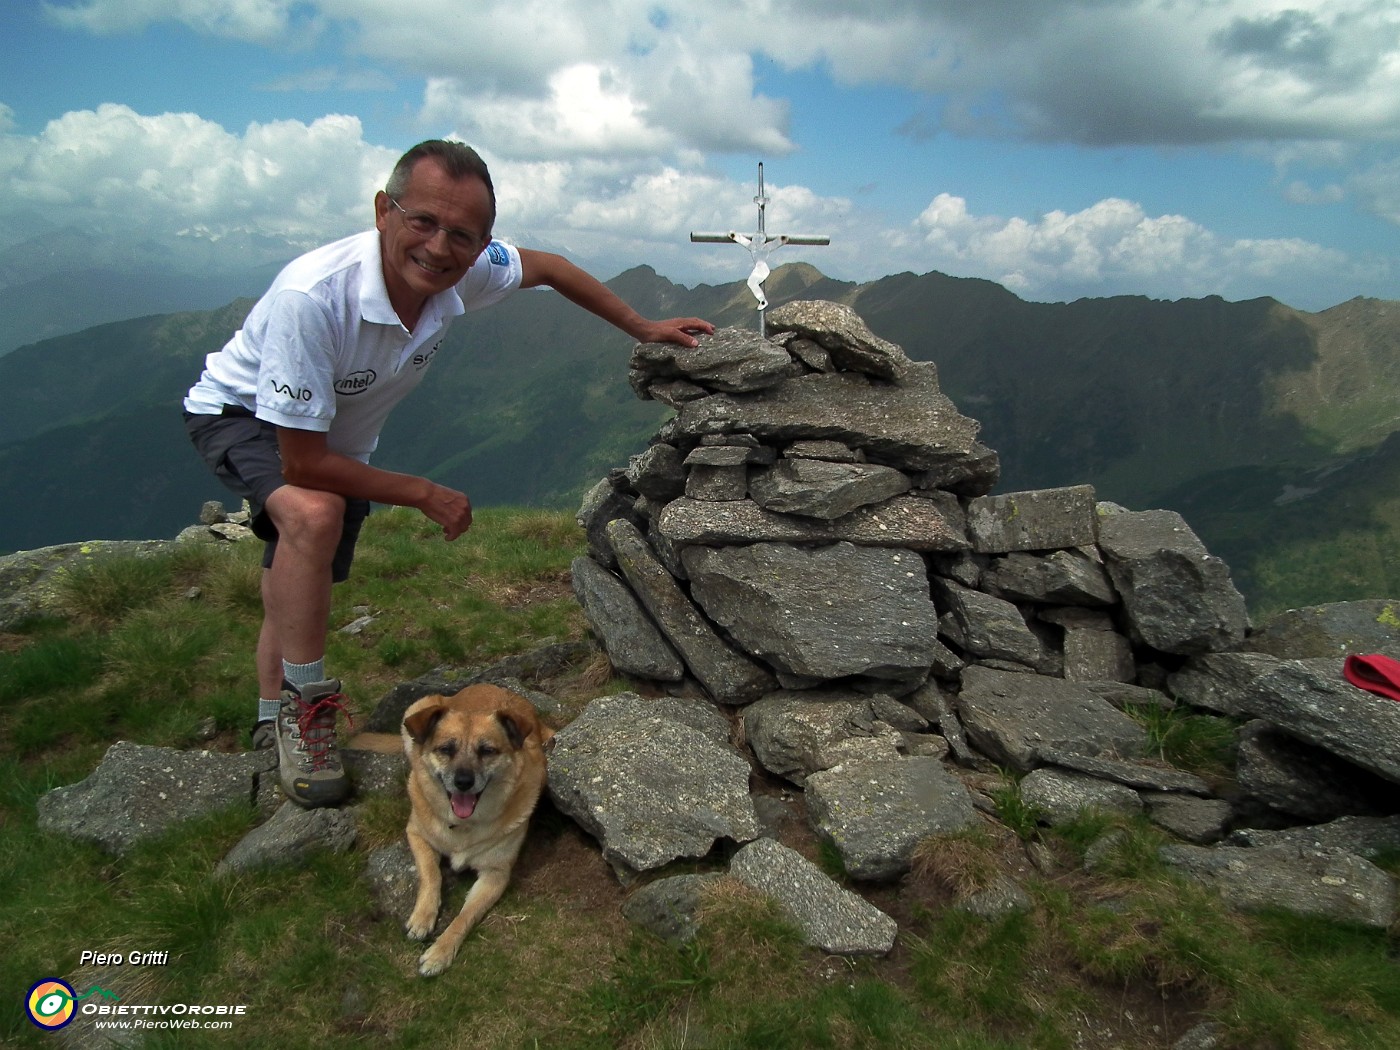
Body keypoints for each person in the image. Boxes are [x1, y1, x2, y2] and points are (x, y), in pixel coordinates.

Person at [184, 139, 712, 808]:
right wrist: (422, 493)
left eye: (462, 235)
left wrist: (640, 325)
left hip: (332, 434)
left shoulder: (468, 267)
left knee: (300, 569)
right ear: (384, 210)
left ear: (483, 241)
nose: (439, 247)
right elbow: (302, 462)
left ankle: (273, 719)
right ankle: (307, 709)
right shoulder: (313, 299)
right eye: (423, 222)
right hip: (243, 413)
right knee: (311, 516)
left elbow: (548, 266)